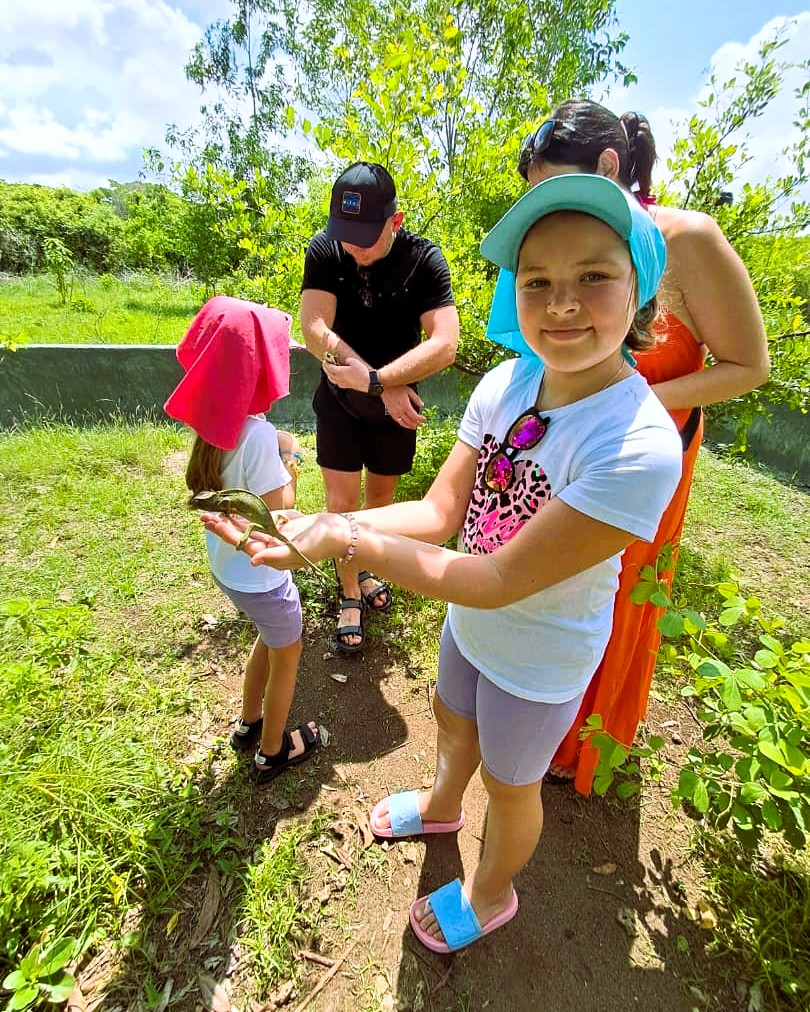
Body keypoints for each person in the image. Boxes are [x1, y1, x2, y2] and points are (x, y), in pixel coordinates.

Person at [200, 174, 683, 951]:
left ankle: (490, 893)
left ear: (642, 289)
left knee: (512, 784)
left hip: (541, 653)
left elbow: (496, 580)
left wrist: (346, 540)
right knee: (452, 722)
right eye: (538, 280)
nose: (562, 302)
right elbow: (439, 515)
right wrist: (329, 519)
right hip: (470, 623)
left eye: (594, 276)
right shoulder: (510, 380)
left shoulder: (637, 446)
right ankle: (438, 806)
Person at [490, 100, 770, 793]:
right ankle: (536, 717)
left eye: (553, 187)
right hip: (561, 441)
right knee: (553, 577)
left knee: (615, 598)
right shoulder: (557, 253)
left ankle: (583, 745)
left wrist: (627, 404)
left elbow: (750, 365)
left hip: (647, 448)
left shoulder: (691, 239)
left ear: (608, 168)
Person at [300, 161, 460, 653]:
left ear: (396, 221)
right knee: (343, 506)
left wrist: (378, 382)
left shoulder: (424, 259)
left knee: (380, 506)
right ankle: (349, 590)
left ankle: (366, 569)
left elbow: (446, 343)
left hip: (396, 409)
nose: (353, 246)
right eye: (345, 232)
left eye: (365, 236)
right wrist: (373, 382)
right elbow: (314, 330)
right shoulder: (326, 250)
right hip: (340, 405)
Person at [165, 295, 321, 785]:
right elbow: (279, 514)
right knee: (287, 656)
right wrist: (292, 457)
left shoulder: (214, 427)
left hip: (231, 573)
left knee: (269, 639)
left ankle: (247, 722)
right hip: (265, 576)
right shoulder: (258, 437)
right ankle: (272, 750)